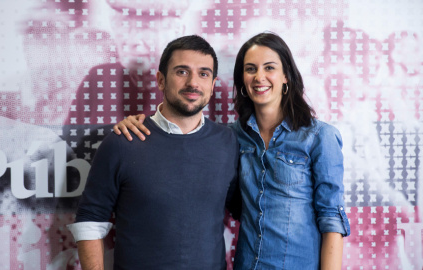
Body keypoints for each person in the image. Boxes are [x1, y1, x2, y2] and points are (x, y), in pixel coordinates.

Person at [113, 32, 351, 269]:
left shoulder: (320, 137)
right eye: (250, 69)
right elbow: (183, 140)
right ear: (242, 81)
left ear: (286, 76)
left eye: (269, 68)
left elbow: (331, 220)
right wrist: (137, 125)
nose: (259, 77)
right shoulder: (229, 137)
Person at [67, 35, 239, 270]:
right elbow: (90, 220)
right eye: (182, 71)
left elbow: (244, 208)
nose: (193, 83)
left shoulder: (228, 142)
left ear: (212, 84)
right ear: (160, 80)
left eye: (203, 74)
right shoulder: (123, 141)